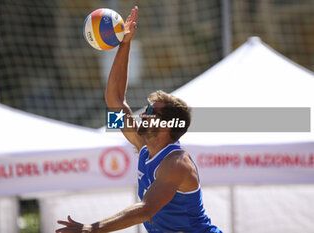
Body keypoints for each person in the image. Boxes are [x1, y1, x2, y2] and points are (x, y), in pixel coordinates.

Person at [56, 6, 222, 233]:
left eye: (152, 113)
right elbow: (114, 99)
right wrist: (125, 43)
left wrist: (91, 228)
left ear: (167, 125)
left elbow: (146, 210)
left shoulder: (176, 163)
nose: (144, 114)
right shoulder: (144, 146)